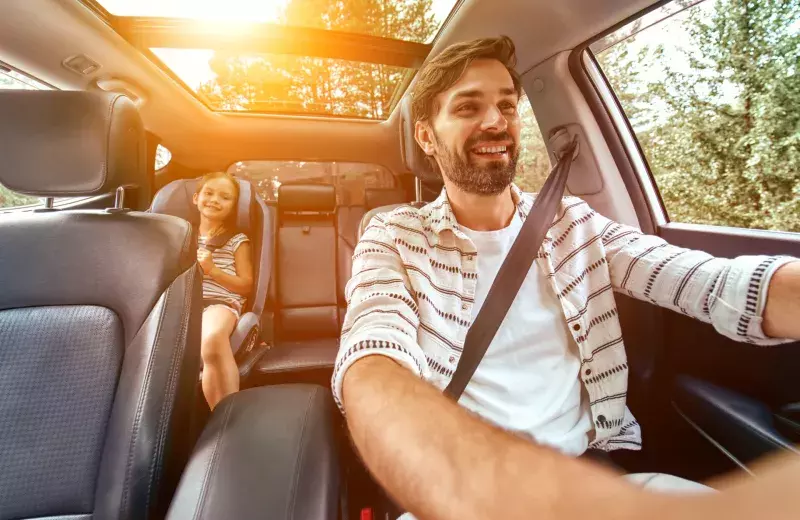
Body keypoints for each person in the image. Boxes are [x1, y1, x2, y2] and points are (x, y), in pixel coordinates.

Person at [333, 36, 800, 519]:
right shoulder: (393, 234)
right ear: (427, 137)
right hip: (458, 497)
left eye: (507, 106)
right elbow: (372, 358)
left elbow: (705, 280)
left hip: (587, 474)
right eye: (469, 106)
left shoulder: (571, 223)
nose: (495, 121)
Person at [193, 171, 254, 410]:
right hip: (183, 303)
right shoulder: (181, 236)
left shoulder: (237, 240)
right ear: (196, 198)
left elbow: (246, 285)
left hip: (220, 302)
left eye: (225, 197)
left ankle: (226, 414)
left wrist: (212, 270)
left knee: (212, 338)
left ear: (233, 207)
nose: (215, 200)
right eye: (209, 193)